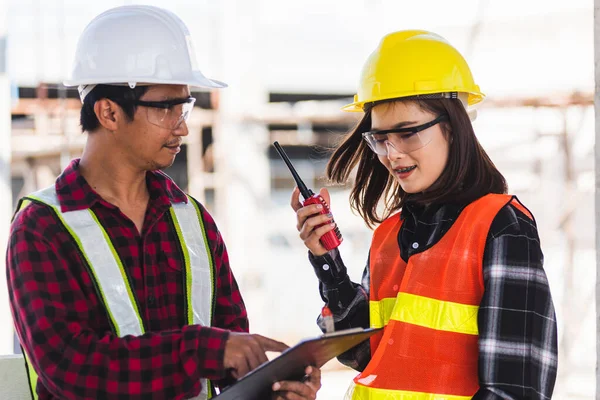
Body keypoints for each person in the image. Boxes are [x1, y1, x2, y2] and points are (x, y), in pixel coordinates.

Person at [6, 5, 320, 400]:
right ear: (109, 112)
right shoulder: (43, 228)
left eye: (184, 106)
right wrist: (199, 349)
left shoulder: (193, 221)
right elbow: (71, 368)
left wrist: (273, 386)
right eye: (166, 107)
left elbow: (232, 357)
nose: (183, 125)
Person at [291, 30, 557, 399]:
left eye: (408, 133)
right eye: (380, 138)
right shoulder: (388, 235)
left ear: (454, 127)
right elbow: (368, 356)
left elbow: (515, 390)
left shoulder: (501, 227)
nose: (392, 154)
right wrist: (327, 262)